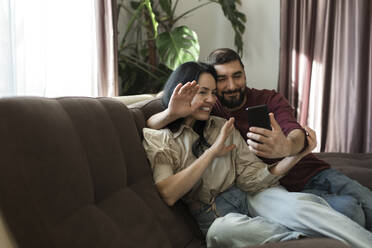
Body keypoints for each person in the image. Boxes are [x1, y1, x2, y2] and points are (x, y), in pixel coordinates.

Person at [143, 61, 372, 248]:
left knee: (299, 207)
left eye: (213, 93)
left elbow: (252, 178)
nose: (212, 99)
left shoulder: (221, 124)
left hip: (249, 195)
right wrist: (212, 152)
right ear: (180, 91)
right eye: (203, 92)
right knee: (222, 231)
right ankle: (307, 239)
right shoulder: (158, 137)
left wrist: (296, 155)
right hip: (217, 217)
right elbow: (168, 193)